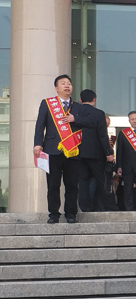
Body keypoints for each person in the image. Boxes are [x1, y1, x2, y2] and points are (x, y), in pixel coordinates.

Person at [33, 74, 81, 223]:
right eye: (63, 83)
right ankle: (54, 214)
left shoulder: (78, 107)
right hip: (52, 149)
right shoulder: (47, 104)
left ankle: (71, 214)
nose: (67, 86)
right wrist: (38, 143)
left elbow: (88, 123)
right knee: (53, 184)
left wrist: (76, 119)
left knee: (72, 185)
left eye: (69, 83)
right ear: (56, 88)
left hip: (73, 150)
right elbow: (40, 124)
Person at [69, 90, 113, 213]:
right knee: (102, 180)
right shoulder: (99, 113)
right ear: (94, 100)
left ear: (80, 100)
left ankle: (85, 207)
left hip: (78, 152)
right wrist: (108, 152)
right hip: (96, 153)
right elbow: (102, 135)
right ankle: (109, 206)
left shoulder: (74, 112)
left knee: (83, 181)